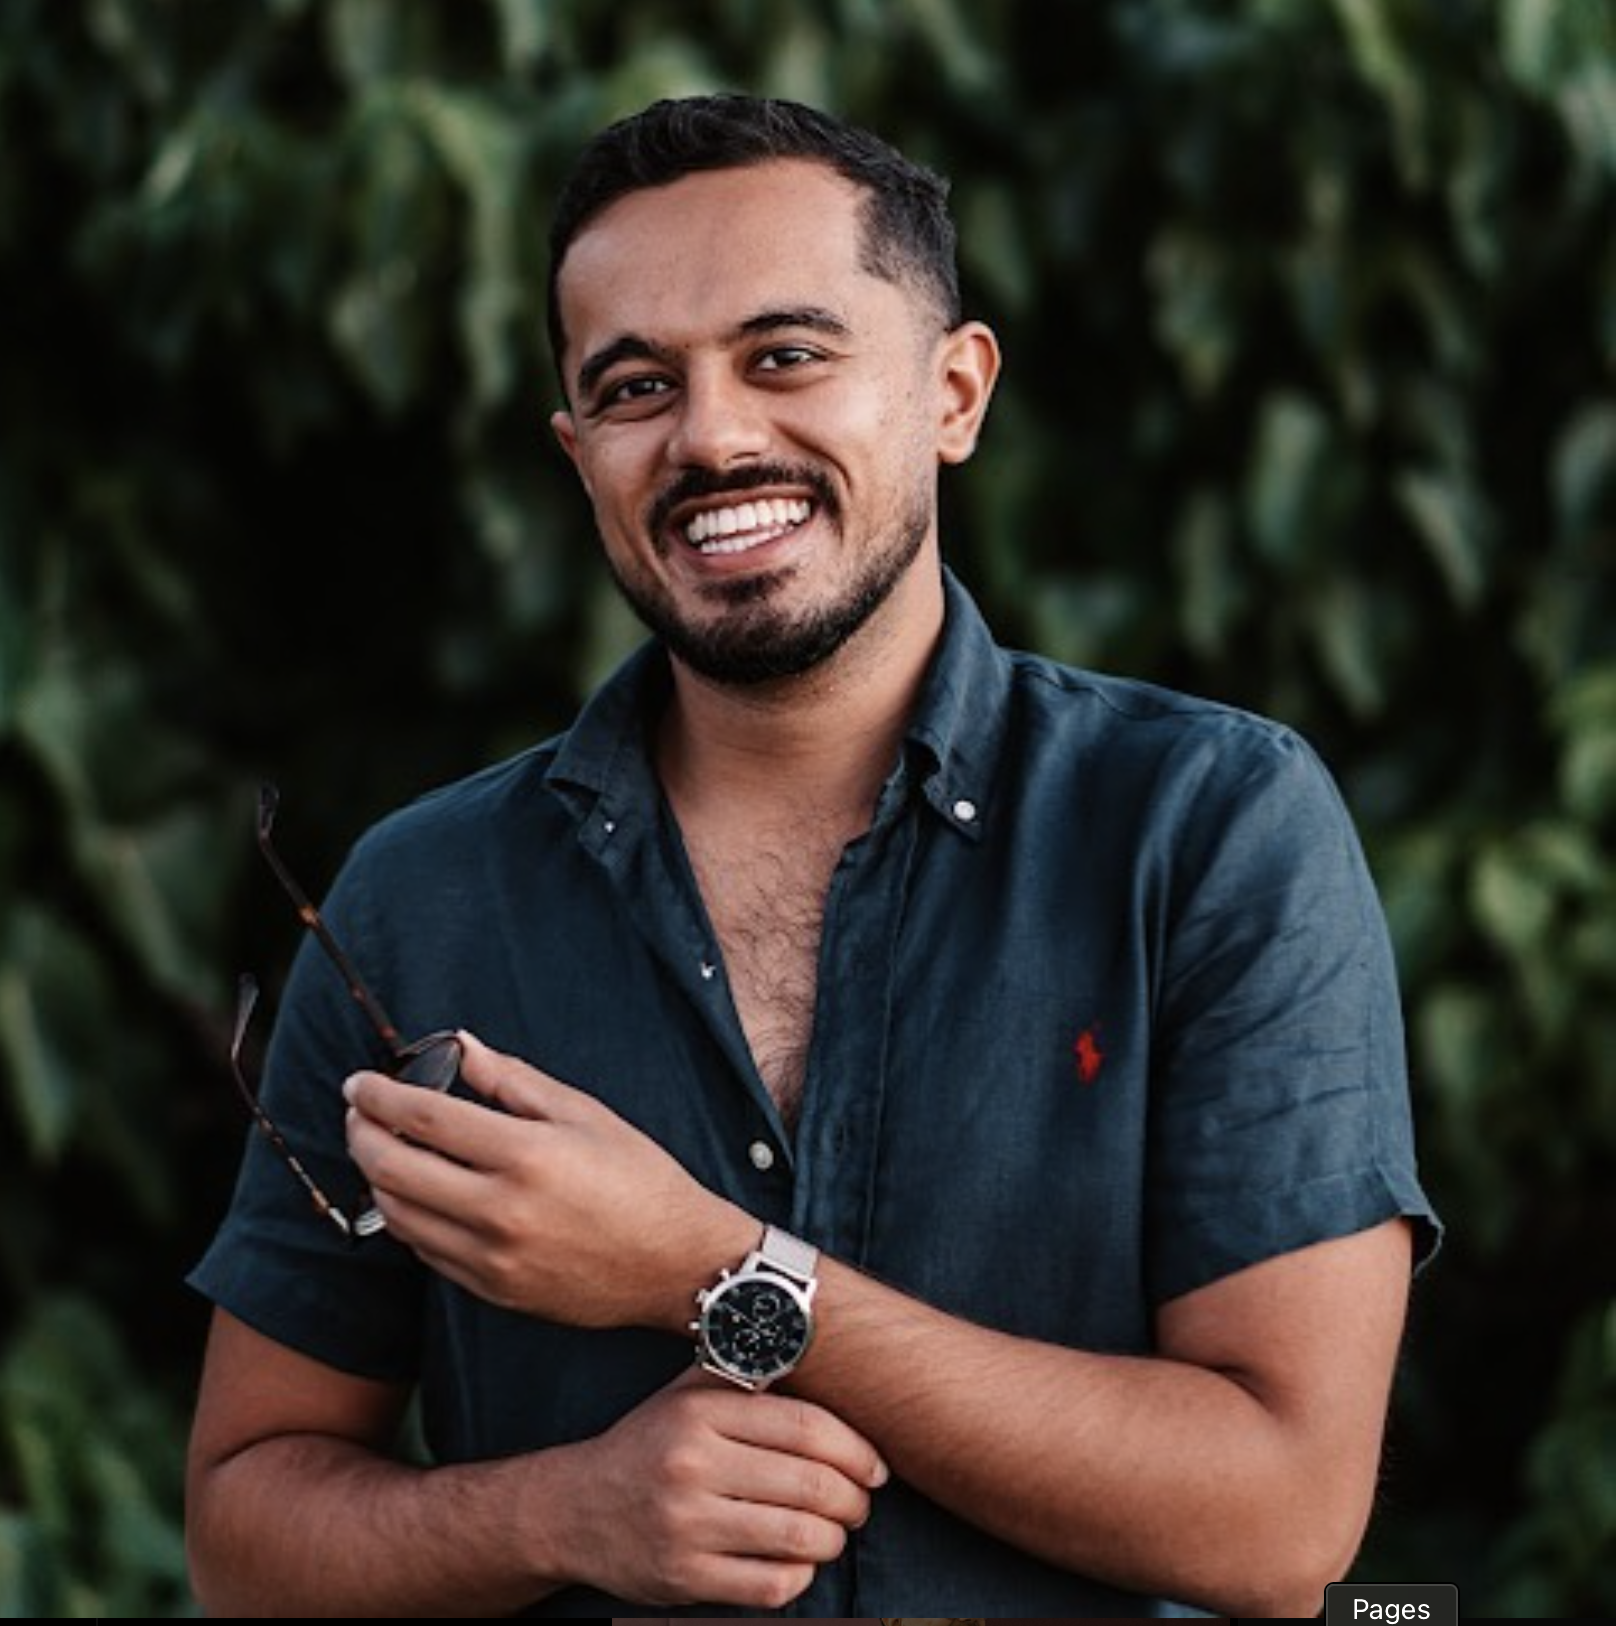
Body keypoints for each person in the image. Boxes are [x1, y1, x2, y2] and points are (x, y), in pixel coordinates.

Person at [186, 93, 1440, 1618]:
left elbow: (1284, 1520)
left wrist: (706, 1269)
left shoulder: (1210, 831)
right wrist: (556, 1512)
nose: (712, 435)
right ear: (579, 454)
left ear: (953, 393)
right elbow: (246, 1536)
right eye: (639, 384)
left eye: (785, 356)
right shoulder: (421, 896)